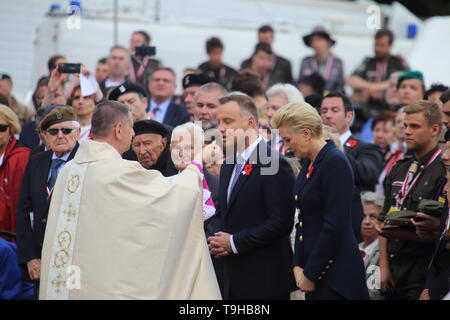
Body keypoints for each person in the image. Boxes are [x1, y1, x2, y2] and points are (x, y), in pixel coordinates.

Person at [39, 100, 221, 299]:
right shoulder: (120, 172)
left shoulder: (69, 170)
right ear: (118, 129)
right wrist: (196, 165)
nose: (133, 134)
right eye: (131, 127)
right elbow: (174, 195)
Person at [271, 101, 368, 300]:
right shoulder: (309, 162)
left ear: (306, 133)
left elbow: (334, 226)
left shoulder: (335, 162)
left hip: (336, 277)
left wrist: (310, 272)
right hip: (314, 272)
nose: (287, 147)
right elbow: (302, 222)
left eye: (288, 140)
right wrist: (297, 264)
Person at [208, 93, 296, 299]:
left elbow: (281, 222)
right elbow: (225, 212)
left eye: (228, 122)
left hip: (265, 281)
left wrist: (235, 242)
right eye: (218, 121)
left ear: (249, 123)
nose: (220, 128)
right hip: (232, 278)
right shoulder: (229, 164)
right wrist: (219, 239)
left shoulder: (273, 162)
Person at [377, 100, 446, 300]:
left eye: (414, 126)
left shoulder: (443, 171)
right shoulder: (400, 167)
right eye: (406, 125)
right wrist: (383, 265)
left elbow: (441, 232)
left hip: (422, 270)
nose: (407, 131)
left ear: (435, 129)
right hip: (392, 265)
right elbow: (383, 218)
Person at [16, 106, 80, 298]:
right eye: (53, 131)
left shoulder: (86, 162)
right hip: (41, 258)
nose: (60, 135)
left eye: (66, 130)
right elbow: (24, 211)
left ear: (77, 132)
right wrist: (30, 257)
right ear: (43, 135)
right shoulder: (36, 161)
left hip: (74, 259)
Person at [320, 92, 383, 192]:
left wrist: (333, 146)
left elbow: (366, 174)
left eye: (335, 110)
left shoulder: (368, 148)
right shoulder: (315, 148)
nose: (327, 115)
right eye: (324, 111)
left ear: (349, 116)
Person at [347, 28, 409, 123]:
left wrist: (376, 89)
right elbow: (351, 80)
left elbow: (408, 82)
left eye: (382, 45)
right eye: (376, 44)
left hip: (391, 112)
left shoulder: (398, 62)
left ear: (390, 45)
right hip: (366, 112)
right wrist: (370, 88)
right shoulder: (368, 61)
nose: (377, 49)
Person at [417, 130, 450, 300]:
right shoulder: (447, 187)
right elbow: (439, 252)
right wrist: (428, 289)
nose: (445, 156)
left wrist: (434, 292)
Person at [0, 105, 30, 236]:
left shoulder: (21, 157)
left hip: (11, 235)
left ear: (11, 130)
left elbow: (18, 203)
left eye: (2, 128)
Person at [299, 26, 345, 94]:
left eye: (319, 40)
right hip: (309, 100)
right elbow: (299, 83)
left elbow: (340, 87)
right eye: (312, 40)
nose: (315, 44)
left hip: (330, 101)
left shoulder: (337, 63)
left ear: (328, 42)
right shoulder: (306, 61)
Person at [266, 83, 304, 155]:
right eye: (267, 108)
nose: (268, 114)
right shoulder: (265, 147)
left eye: (275, 108)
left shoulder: (305, 145)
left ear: (292, 111)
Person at [360, 192, 385, 300]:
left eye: (373, 217)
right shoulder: (353, 249)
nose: (367, 222)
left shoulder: (384, 253)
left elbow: (375, 295)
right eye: (363, 216)